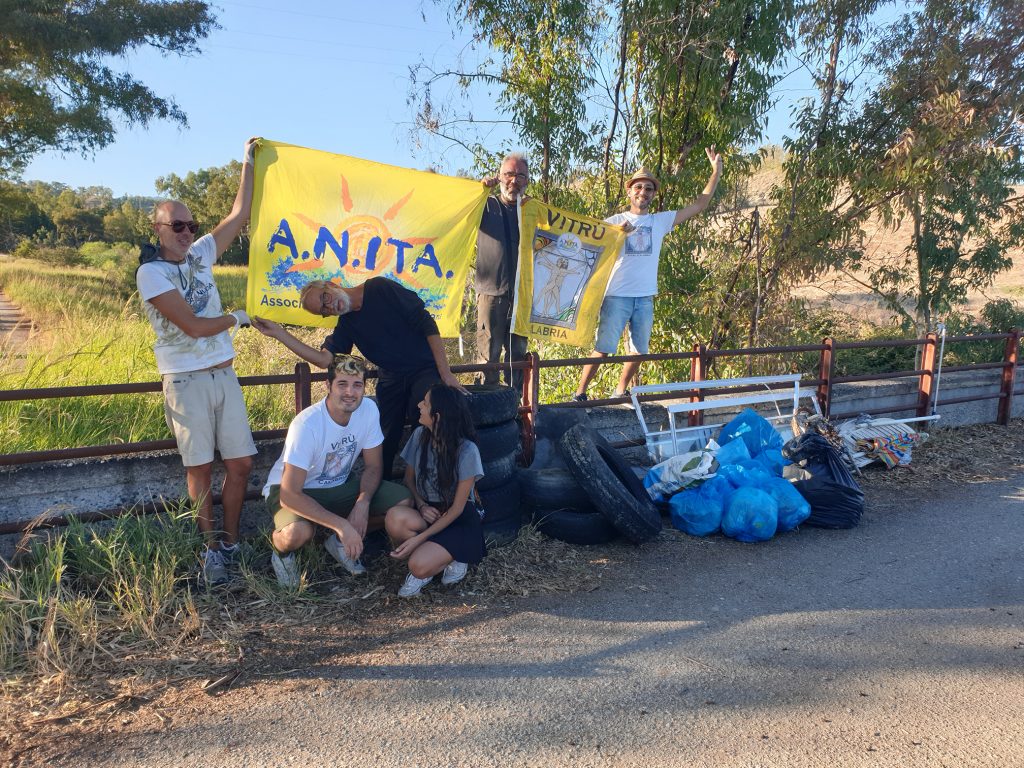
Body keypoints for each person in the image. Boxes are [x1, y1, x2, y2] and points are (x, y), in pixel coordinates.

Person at [135, 137, 259, 586]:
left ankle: (231, 541)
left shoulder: (203, 254)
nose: (187, 232)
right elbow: (193, 326)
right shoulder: (151, 273)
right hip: (185, 380)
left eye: (191, 225)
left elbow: (238, 215)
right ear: (159, 230)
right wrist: (238, 318)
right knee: (201, 468)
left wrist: (248, 161)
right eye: (177, 226)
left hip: (223, 373)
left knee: (242, 462)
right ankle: (210, 551)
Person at [251, 276, 467, 476]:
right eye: (324, 310)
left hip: (424, 369)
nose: (330, 307)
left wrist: (445, 373)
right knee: (383, 437)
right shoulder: (346, 325)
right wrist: (280, 333)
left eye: (325, 298)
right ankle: (383, 494)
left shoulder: (379, 288)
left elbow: (426, 322)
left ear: (331, 285)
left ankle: (433, 489)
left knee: (429, 420)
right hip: (391, 377)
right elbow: (324, 360)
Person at [573, 147, 724, 401]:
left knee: (639, 351)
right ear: (630, 191)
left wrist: (716, 172)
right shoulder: (614, 221)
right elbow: (583, 240)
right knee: (603, 349)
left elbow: (700, 204)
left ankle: (620, 392)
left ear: (654, 194)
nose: (643, 192)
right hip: (617, 296)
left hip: (644, 297)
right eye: (639, 187)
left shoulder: (659, 221)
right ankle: (579, 394)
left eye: (649, 188)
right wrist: (614, 235)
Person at [262, 354, 413, 587]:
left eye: (357, 385)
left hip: (340, 485)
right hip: (297, 489)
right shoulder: (307, 424)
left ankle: (338, 543)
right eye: (342, 384)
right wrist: (343, 524)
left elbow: (374, 466)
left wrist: (362, 503)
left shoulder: (369, 410)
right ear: (328, 386)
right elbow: (289, 494)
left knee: (402, 502)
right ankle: (282, 554)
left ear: (364, 387)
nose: (350, 393)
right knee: (297, 533)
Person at [384, 384, 486, 597]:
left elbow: (458, 509)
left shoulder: (467, 450)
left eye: (425, 403)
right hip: (429, 510)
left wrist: (418, 539)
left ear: (437, 416)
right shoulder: (420, 434)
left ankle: (456, 557)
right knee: (395, 518)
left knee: (417, 566)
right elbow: (408, 479)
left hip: (458, 518)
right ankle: (437, 552)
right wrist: (420, 505)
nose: (419, 405)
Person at [476, 152, 530, 390]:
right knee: (488, 354)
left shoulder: (531, 211)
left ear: (527, 181)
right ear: (499, 177)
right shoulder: (485, 205)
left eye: (520, 176)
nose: (514, 181)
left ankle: (516, 409)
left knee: (517, 355)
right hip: (491, 292)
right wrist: (479, 192)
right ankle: (485, 404)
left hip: (523, 295)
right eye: (509, 174)